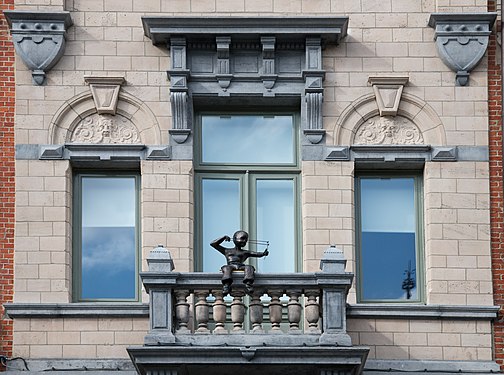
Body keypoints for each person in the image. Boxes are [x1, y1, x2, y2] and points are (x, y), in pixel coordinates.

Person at [210, 230, 268, 295]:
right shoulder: (227, 251)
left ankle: (248, 283)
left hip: (240, 266)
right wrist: (223, 238)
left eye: (246, 240)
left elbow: (256, 254)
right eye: (242, 238)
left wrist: (263, 253)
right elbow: (213, 244)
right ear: (235, 239)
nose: (244, 241)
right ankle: (226, 285)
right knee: (226, 268)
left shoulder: (245, 252)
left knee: (249, 267)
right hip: (231, 265)